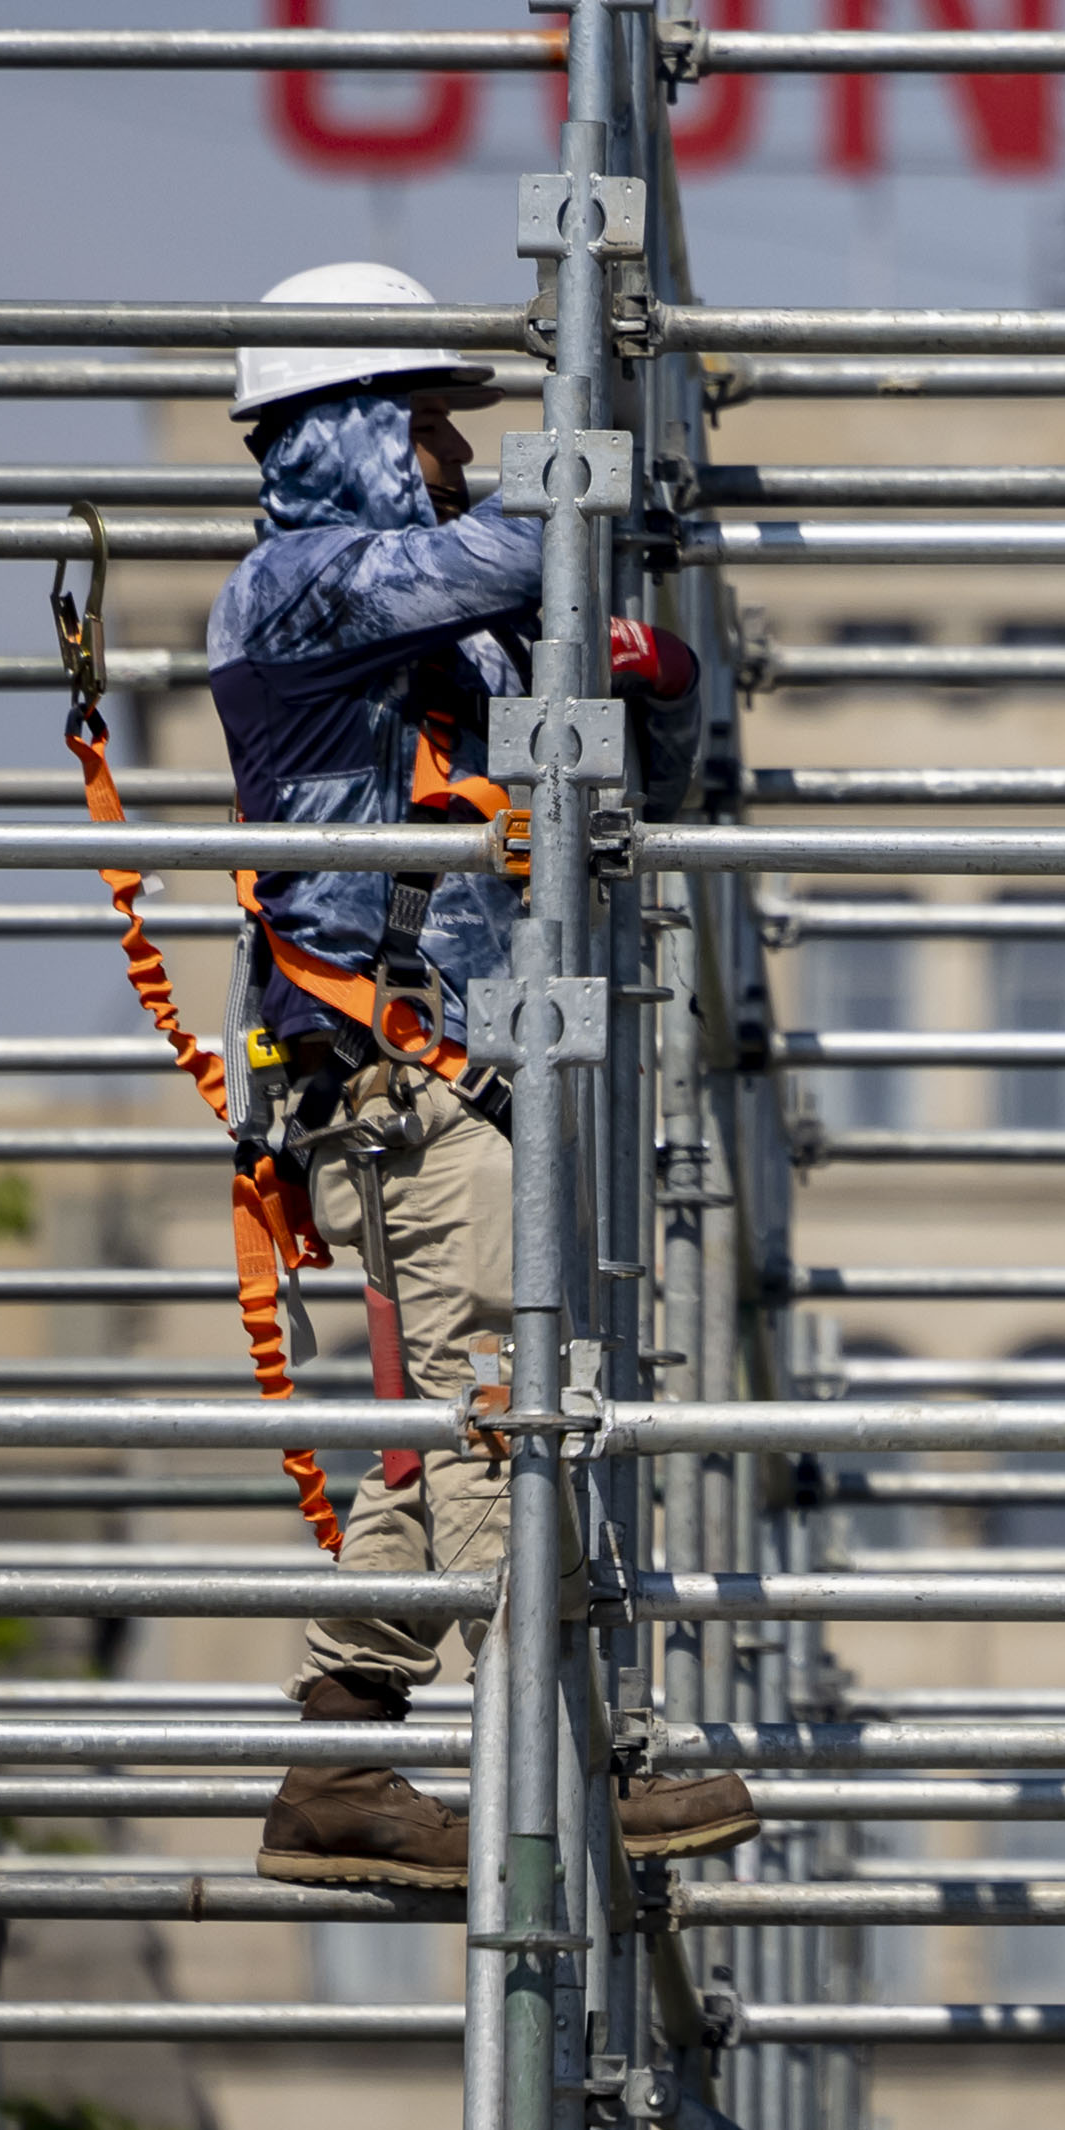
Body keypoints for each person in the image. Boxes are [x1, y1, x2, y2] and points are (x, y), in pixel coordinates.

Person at [214, 262, 756, 1890]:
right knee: (500, 1424)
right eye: (432, 425)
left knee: (458, 1420)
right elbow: (543, 538)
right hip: (397, 1091)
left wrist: (641, 667)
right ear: (351, 433)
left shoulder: (455, 632)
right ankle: (572, 1755)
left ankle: (340, 1759)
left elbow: (633, 783)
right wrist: (595, 476)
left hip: (464, 1086)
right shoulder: (298, 587)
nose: (457, 454)